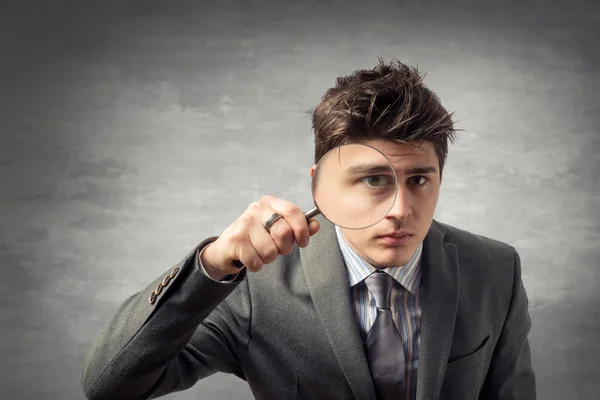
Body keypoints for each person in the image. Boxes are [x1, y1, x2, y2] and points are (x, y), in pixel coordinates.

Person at [80, 59, 536, 400]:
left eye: (419, 179)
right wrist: (211, 264)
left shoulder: (495, 269)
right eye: (373, 179)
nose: (400, 210)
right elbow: (109, 384)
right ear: (319, 183)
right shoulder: (253, 285)